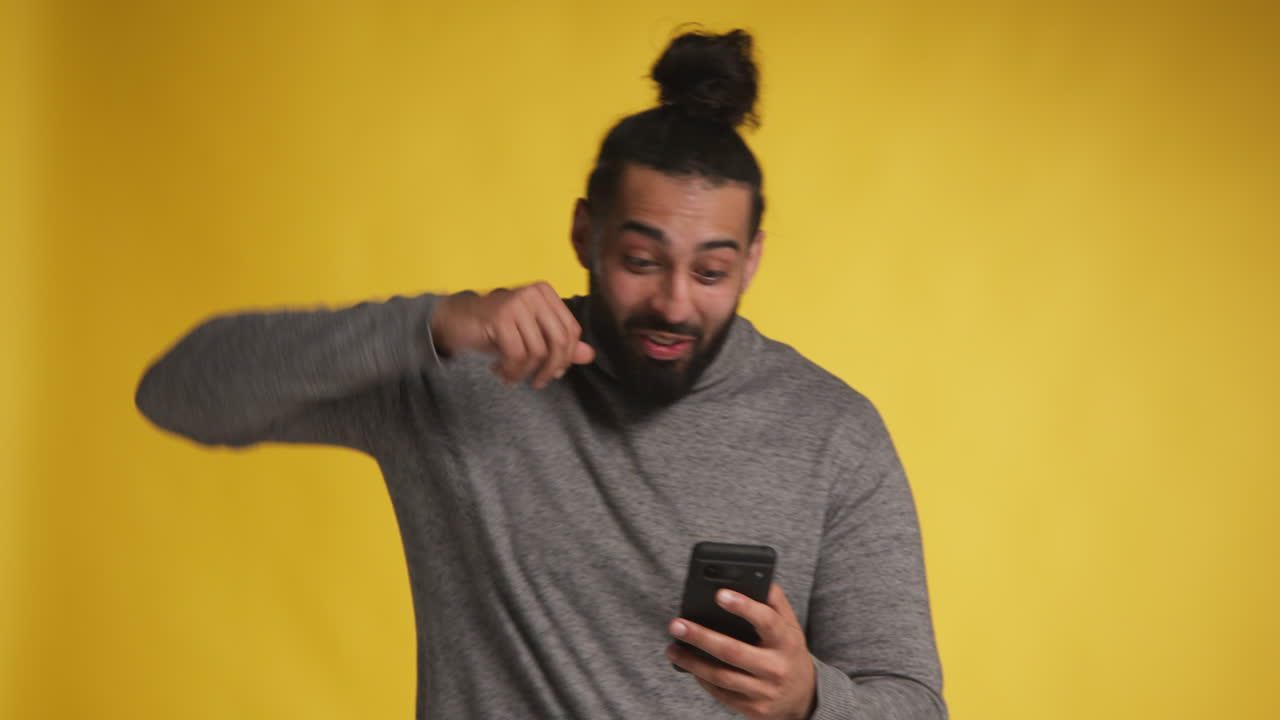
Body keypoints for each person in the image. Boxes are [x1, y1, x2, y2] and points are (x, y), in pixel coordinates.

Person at [136, 29, 946, 720]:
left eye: (711, 272)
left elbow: (913, 702)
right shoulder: (461, 376)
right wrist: (430, 323)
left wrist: (810, 699)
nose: (672, 302)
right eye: (639, 260)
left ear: (753, 261)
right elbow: (179, 392)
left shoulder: (832, 432)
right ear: (583, 232)